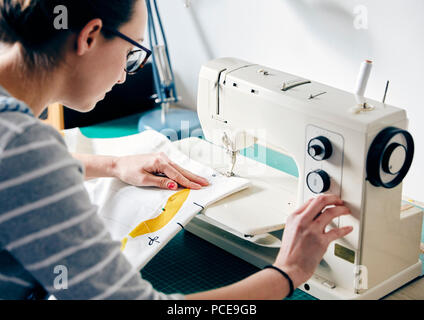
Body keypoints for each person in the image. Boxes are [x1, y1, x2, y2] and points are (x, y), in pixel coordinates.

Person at [0, 0, 353, 300]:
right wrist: (287, 273)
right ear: (90, 36)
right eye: (130, 50)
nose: (125, 74)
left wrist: (113, 164)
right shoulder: (25, 149)